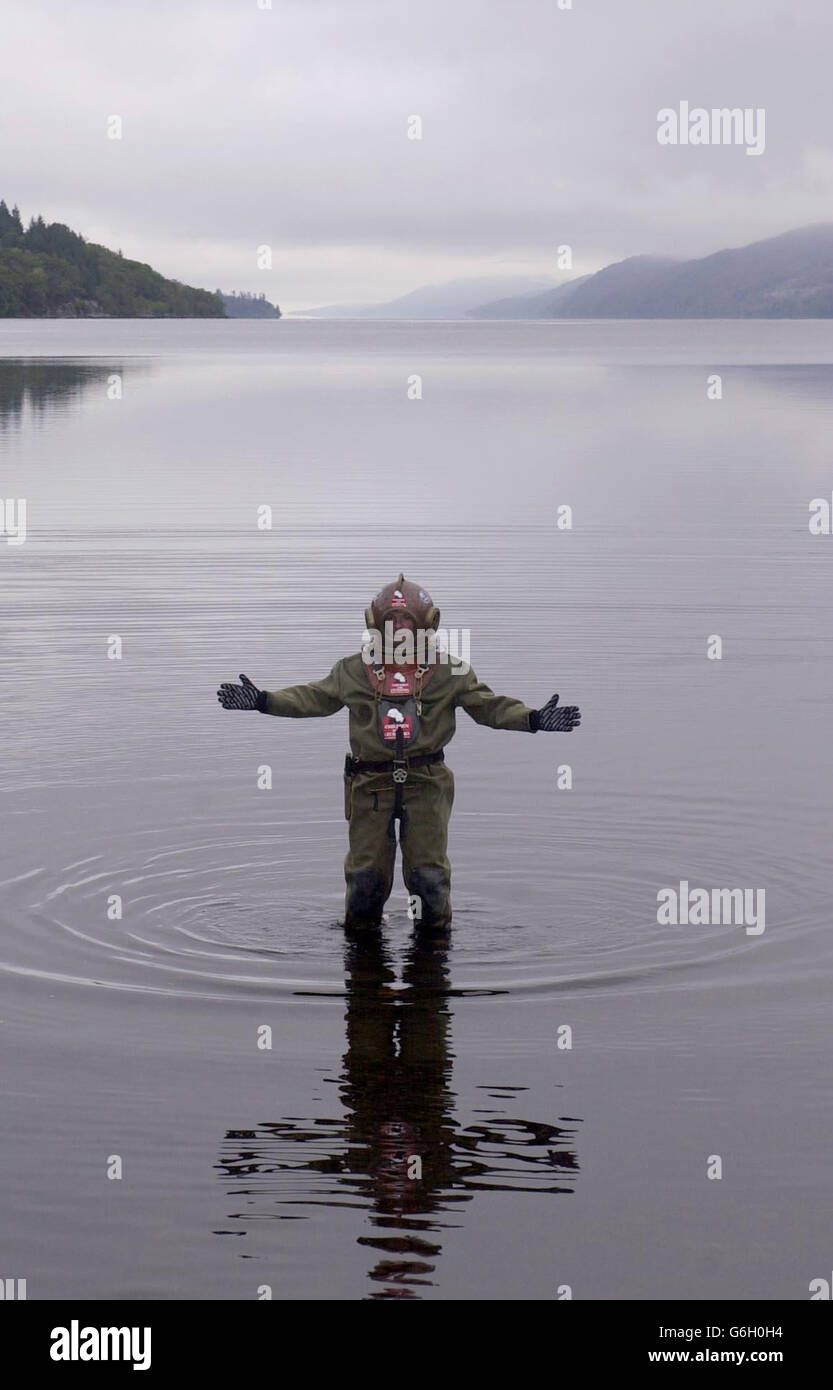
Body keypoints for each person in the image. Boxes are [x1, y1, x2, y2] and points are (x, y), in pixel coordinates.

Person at [217, 574, 580, 932]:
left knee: (429, 880)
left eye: (408, 620)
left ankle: (433, 960)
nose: (400, 629)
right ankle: (363, 966)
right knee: (365, 881)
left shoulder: (450, 672)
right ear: (376, 625)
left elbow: (489, 707)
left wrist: (533, 719)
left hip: (426, 784)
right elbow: (313, 698)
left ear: (427, 624)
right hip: (369, 785)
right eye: (392, 621)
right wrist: (263, 700)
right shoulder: (353, 671)